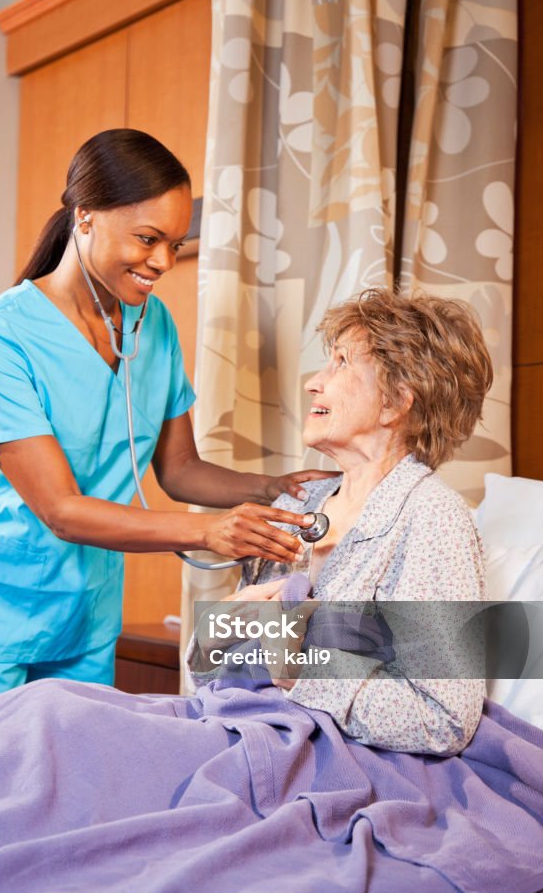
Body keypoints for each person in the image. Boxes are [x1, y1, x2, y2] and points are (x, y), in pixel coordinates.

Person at [0, 129, 332, 720]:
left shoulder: (153, 324)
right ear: (84, 217)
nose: (163, 262)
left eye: (174, 242)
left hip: (85, 614)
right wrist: (207, 532)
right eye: (148, 239)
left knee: (70, 787)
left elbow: (180, 469)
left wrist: (272, 488)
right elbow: (61, 510)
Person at [187, 288, 494, 755]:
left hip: (330, 762)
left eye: (342, 363)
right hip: (239, 733)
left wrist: (296, 670)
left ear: (396, 402)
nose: (313, 382)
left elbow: (443, 720)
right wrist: (217, 631)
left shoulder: (431, 518)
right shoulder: (300, 504)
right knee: (53, 711)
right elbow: (211, 673)